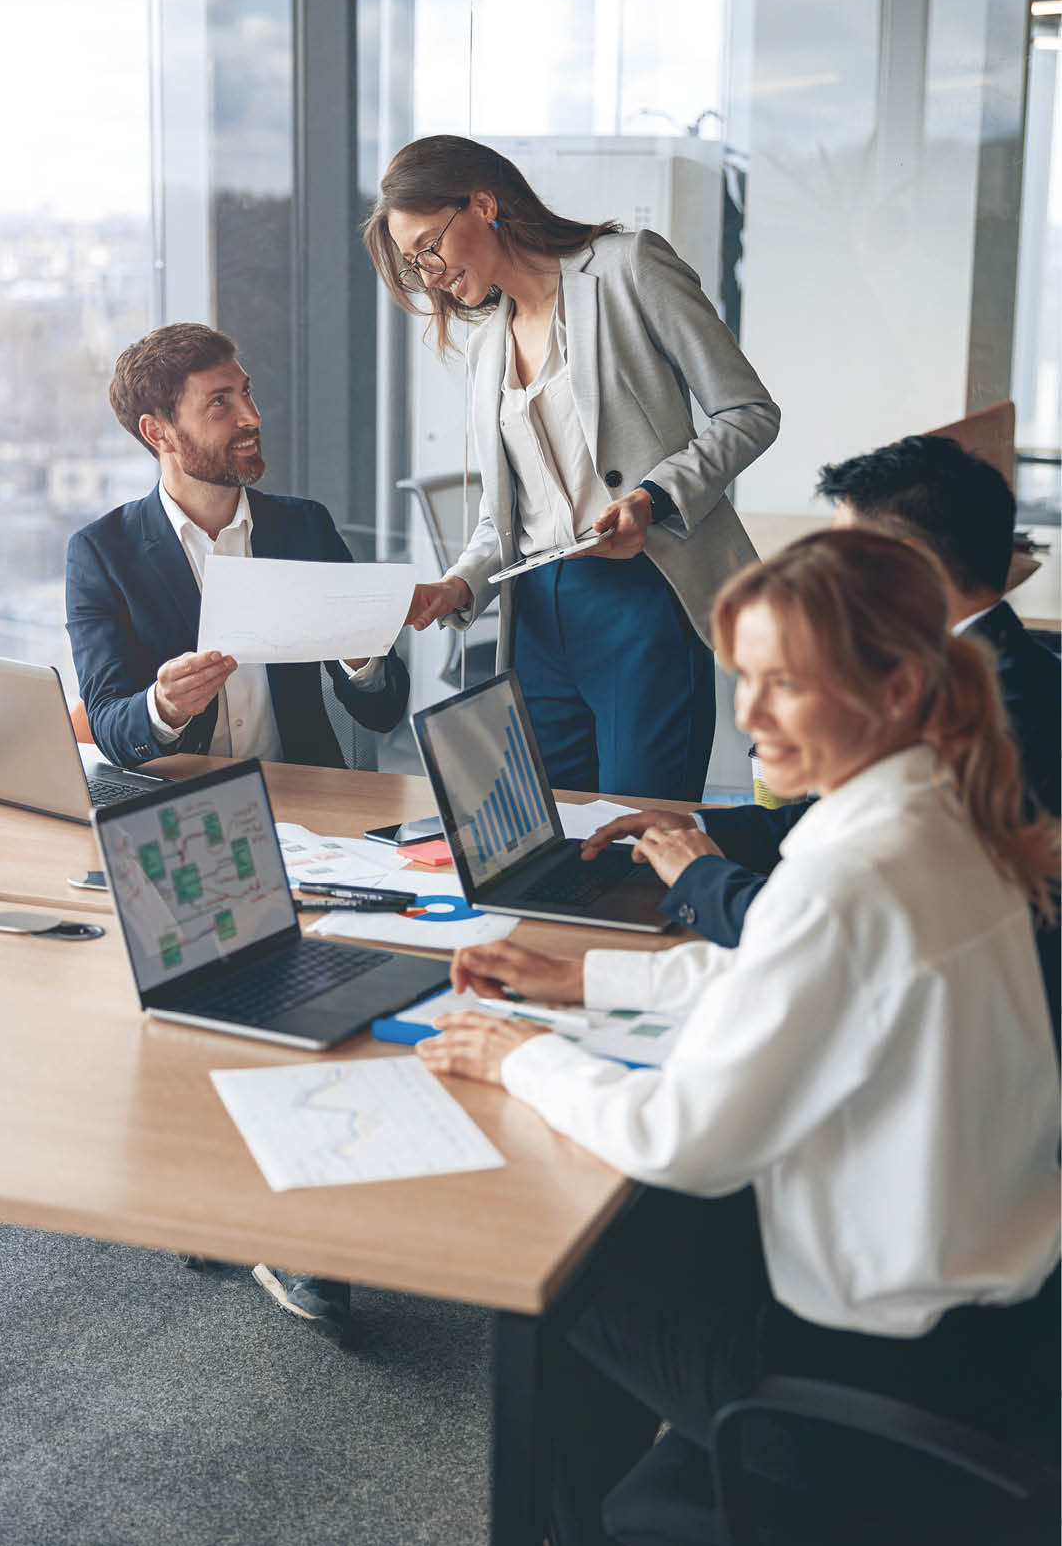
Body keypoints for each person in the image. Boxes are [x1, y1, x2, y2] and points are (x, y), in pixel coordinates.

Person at [419, 529, 1060, 1546]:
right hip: (998, 1325)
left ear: (892, 688)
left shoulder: (849, 873)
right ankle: (655, 1502)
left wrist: (518, 1052)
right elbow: (797, 979)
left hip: (876, 1375)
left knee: (553, 1265)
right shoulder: (942, 810)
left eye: (784, 686)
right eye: (744, 680)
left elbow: (685, 1137)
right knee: (626, 1232)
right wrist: (588, 974)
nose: (748, 715)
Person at [66, 321, 409, 1344]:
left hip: (315, 803)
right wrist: (165, 706)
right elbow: (115, 720)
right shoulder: (107, 552)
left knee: (334, 986)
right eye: (221, 402)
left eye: (246, 392)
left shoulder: (302, 524)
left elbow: (383, 709)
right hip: (192, 814)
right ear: (157, 430)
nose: (251, 415)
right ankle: (248, 1204)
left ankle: (300, 1207)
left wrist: (360, 656)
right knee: (228, 998)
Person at [364, 135, 780, 802]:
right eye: (414, 265)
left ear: (482, 203)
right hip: (536, 616)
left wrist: (652, 498)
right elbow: (508, 510)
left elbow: (748, 412)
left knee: (639, 827)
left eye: (428, 248)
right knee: (550, 837)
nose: (430, 274)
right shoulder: (485, 341)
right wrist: (459, 585)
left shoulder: (626, 269)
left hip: (641, 597)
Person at [581, 435, 1061, 956]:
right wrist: (695, 826)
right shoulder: (979, 668)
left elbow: (825, 934)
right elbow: (835, 820)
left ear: (909, 566)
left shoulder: (997, 717)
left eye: (842, 556)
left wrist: (699, 875)